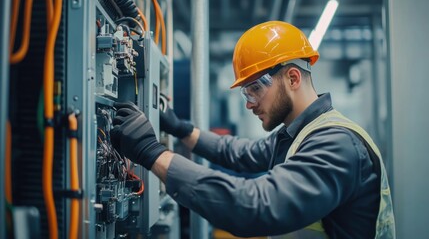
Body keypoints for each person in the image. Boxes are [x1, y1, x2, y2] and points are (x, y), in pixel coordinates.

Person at [110, 21, 395, 238]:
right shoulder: (301, 134)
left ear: (293, 78)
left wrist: (153, 154)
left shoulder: (336, 144)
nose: (250, 104)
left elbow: (256, 206)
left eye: (255, 89)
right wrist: (182, 129)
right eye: (246, 93)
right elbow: (240, 152)